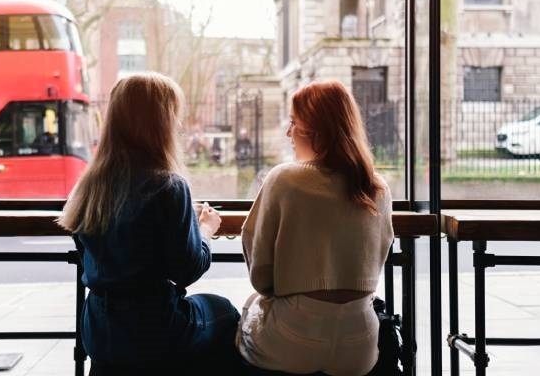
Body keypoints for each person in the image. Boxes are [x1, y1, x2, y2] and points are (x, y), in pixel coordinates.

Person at [58, 72, 240, 373]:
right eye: (174, 116)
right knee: (225, 311)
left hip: (98, 330)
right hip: (152, 329)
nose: (178, 125)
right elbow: (187, 270)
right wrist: (205, 228)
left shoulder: (88, 188)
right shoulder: (168, 186)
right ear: (160, 123)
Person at [236, 80, 394, 375]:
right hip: (360, 345)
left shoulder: (284, 180)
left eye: (294, 123)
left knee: (244, 314)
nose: (288, 132)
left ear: (316, 131)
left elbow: (261, 277)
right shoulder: (378, 188)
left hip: (293, 341)